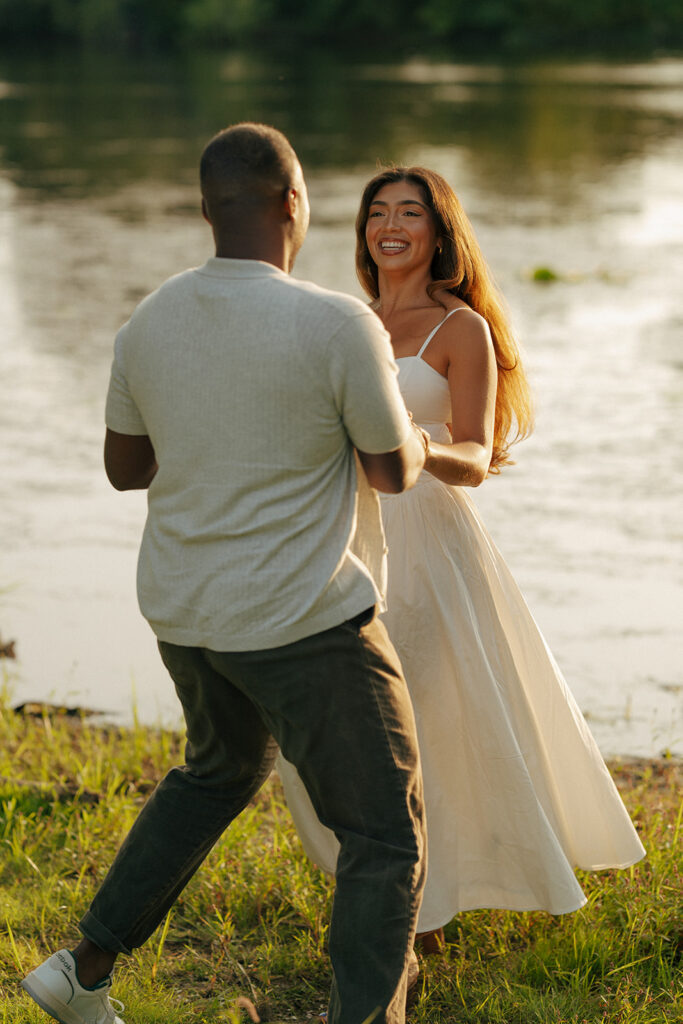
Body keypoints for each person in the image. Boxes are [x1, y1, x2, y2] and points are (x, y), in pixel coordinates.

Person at [20, 127, 432, 1024]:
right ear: (295, 203)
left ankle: (81, 969)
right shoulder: (334, 320)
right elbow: (392, 469)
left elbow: (126, 468)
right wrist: (423, 431)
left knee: (217, 771)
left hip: (189, 617)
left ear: (206, 211)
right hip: (304, 622)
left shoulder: (149, 320)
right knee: (382, 834)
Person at [277, 165, 646, 953]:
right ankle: (405, 893)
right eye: (378, 211)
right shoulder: (346, 320)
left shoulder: (460, 329)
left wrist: (412, 447)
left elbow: (476, 455)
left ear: (439, 233)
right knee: (354, 726)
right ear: (362, 231)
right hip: (343, 535)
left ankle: (420, 909)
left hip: (428, 542)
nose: (390, 224)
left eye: (409, 211)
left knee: (433, 723)